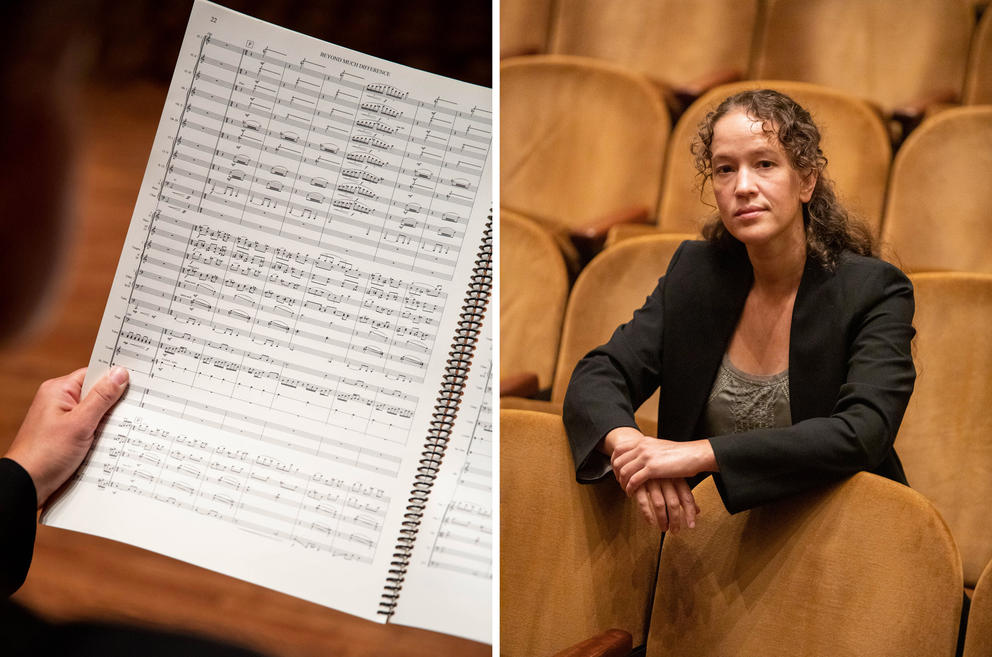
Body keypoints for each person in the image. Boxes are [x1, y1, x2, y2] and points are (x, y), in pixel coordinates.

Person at [562, 89, 916, 534]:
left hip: (841, 538)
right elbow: (600, 372)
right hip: (712, 541)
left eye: (764, 164)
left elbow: (864, 431)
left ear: (806, 181)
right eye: (725, 169)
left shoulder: (873, 290)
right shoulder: (695, 274)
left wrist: (698, 453)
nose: (743, 186)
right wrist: (628, 444)